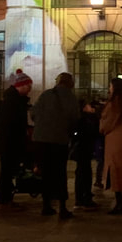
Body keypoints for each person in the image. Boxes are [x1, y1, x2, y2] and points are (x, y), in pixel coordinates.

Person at [32, 72, 79, 219]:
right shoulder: (71, 98)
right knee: (60, 173)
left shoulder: (46, 95)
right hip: (59, 140)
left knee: (45, 172)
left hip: (41, 139)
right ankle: (62, 208)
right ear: (70, 83)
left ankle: (46, 205)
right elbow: (75, 119)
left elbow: (33, 114)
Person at [0, 69, 33, 210]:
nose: (30, 90)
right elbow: (13, 124)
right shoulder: (13, 101)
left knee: (7, 172)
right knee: (6, 172)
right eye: (28, 86)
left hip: (9, 142)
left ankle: (5, 199)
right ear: (21, 85)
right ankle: (5, 200)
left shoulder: (12, 99)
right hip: (9, 143)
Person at [99, 78, 122, 215]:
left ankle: (119, 203)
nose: (109, 89)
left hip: (115, 139)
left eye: (110, 86)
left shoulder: (115, 103)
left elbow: (107, 122)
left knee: (115, 171)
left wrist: (101, 126)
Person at [72, 98, 101, 211]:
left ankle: (83, 197)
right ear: (84, 107)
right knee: (84, 174)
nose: (91, 108)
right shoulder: (86, 119)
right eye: (89, 106)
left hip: (83, 150)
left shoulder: (81, 118)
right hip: (84, 149)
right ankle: (83, 198)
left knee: (83, 173)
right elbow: (93, 131)